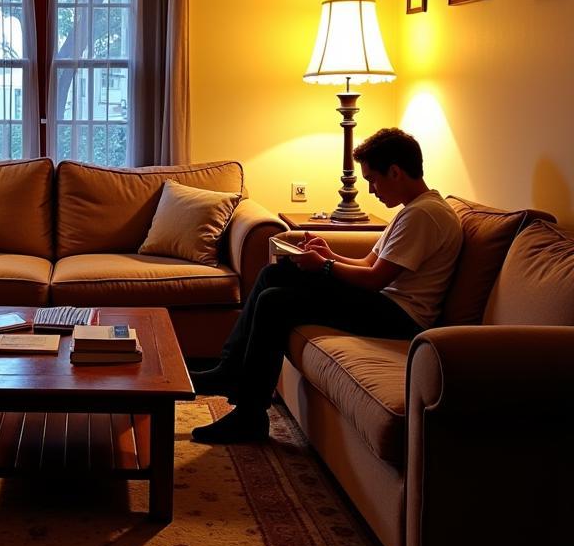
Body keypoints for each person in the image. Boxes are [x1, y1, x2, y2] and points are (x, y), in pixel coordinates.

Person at [190, 128, 462, 444]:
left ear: (396, 172)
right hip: (383, 302)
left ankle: (250, 415)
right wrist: (327, 254)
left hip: (400, 316)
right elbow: (368, 264)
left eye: (373, 179)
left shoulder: (425, 216)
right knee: (273, 276)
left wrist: (325, 267)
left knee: (275, 302)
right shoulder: (414, 210)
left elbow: (375, 279)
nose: (372, 190)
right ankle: (229, 370)